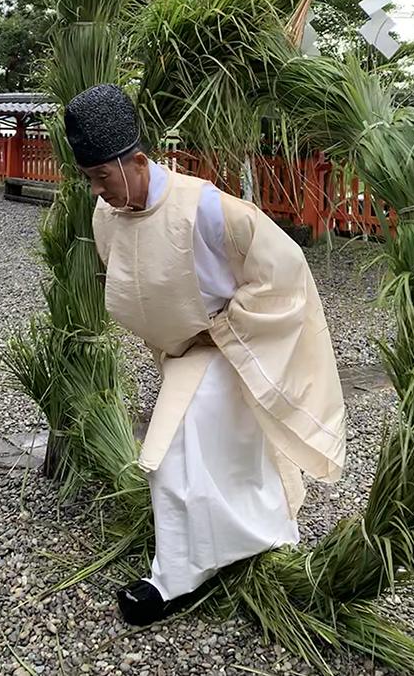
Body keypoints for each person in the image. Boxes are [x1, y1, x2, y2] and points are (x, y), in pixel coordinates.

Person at [64, 84, 346, 627]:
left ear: (139, 162)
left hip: (225, 345)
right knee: (228, 449)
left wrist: (223, 330)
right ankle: (259, 537)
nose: (97, 190)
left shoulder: (209, 208)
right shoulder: (108, 211)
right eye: (91, 179)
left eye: (103, 177)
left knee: (171, 453)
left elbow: (282, 271)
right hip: (181, 352)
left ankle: (177, 575)